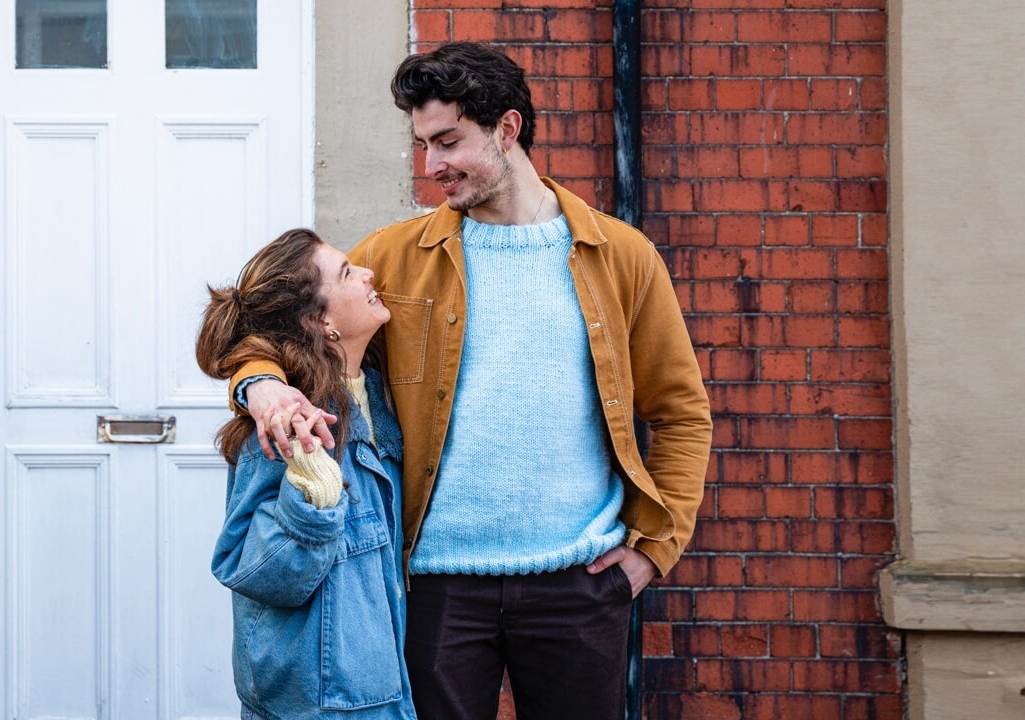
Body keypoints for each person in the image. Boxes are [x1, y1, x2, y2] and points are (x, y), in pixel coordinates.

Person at [231, 43, 713, 719]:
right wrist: (261, 386)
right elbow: (268, 330)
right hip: (436, 588)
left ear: (507, 129)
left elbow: (682, 411)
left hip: (580, 584)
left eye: (448, 142)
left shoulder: (621, 256)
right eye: (423, 144)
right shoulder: (393, 259)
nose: (432, 167)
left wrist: (653, 553)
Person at [198, 228, 416, 720]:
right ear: (321, 321)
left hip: (381, 686)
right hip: (317, 700)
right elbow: (254, 568)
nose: (368, 273)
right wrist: (315, 500)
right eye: (346, 273)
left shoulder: (380, 397)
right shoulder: (284, 426)